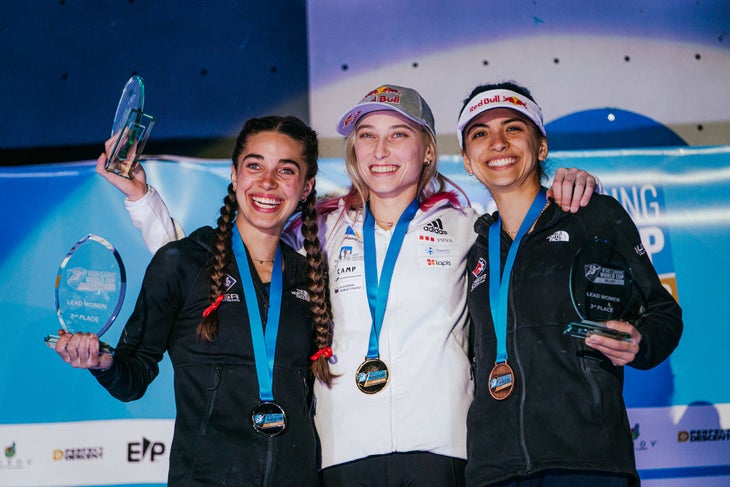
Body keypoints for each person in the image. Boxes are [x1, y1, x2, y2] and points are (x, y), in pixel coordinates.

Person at [102, 84, 597, 486]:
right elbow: (211, 267)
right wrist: (143, 200)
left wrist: (566, 182)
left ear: (427, 150)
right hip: (341, 452)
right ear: (353, 151)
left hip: (442, 448)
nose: (380, 151)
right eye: (366, 135)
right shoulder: (316, 228)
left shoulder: (468, 225)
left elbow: (534, 249)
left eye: (398, 135)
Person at [55, 115, 332, 486]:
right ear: (234, 175)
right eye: (254, 165)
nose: (267, 182)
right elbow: (132, 376)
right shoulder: (182, 263)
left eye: (286, 170)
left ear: (306, 186)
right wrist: (101, 361)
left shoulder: (311, 276)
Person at [458, 81, 683, 486]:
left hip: (586, 460)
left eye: (513, 128)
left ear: (541, 147)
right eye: (480, 133)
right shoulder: (473, 247)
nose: (497, 142)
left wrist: (640, 341)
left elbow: (663, 311)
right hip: (494, 470)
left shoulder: (592, 215)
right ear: (468, 161)